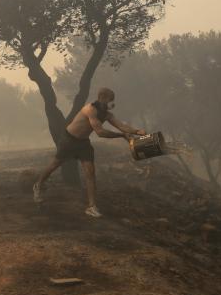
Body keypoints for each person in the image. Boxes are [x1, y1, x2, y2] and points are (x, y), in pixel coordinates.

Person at [33, 87, 146, 218]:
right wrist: (121, 136)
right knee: (54, 165)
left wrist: (137, 131)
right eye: (111, 100)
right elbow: (100, 132)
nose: (112, 103)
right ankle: (38, 185)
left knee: (90, 172)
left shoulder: (107, 114)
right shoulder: (90, 110)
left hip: (83, 143)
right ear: (102, 98)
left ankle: (91, 207)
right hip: (69, 140)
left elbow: (122, 125)